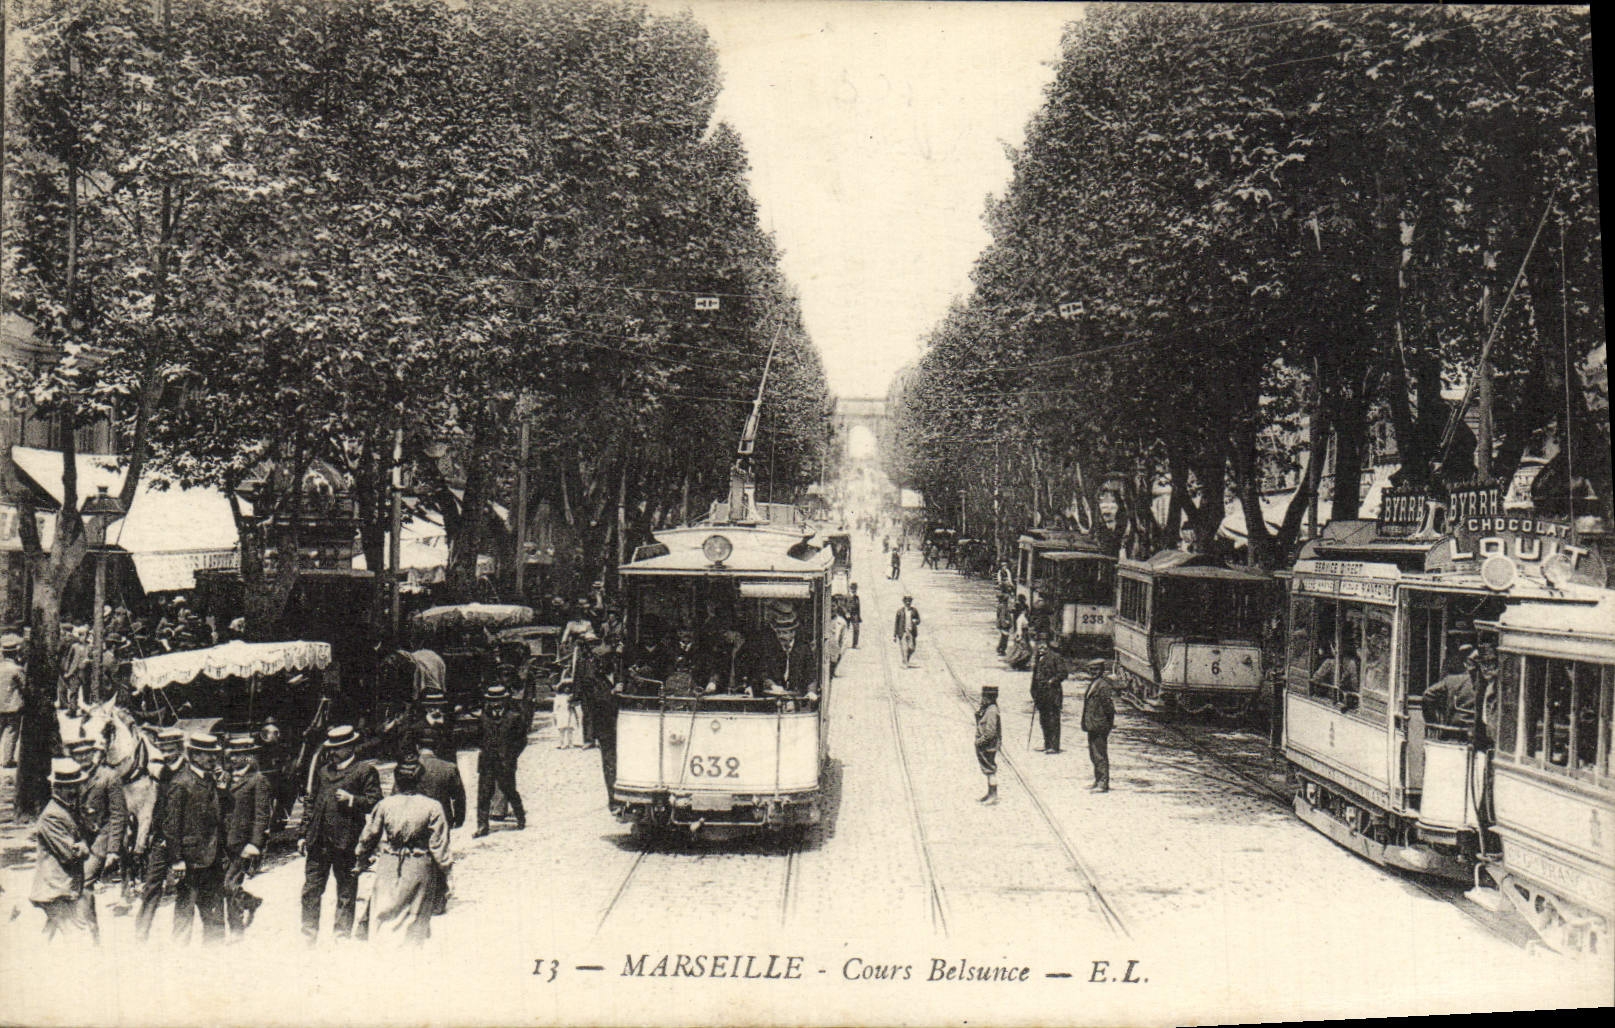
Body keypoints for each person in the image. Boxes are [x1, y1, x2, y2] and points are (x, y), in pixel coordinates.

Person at [355, 755, 453, 946]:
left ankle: (381, 949)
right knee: (415, 914)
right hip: (419, 864)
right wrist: (447, 871)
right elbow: (439, 845)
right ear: (419, 779)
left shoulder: (385, 805)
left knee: (384, 908)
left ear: (396, 780)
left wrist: (361, 858)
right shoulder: (433, 806)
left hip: (389, 862)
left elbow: (369, 836)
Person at [300, 724, 382, 944]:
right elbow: (311, 803)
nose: (332, 752)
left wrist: (353, 800)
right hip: (318, 841)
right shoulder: (323, 771)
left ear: (351, 747)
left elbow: (376, 803)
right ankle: (308, 935)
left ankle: (341, 935)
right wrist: (303, 833)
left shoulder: (364, 771)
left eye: (338, 748)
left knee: (346, 891)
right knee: (310, 891)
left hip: (346, 841)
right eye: (331, 748)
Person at [164, 732, 229, 945]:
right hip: (190, 860)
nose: (212, 759)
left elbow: (220, 816)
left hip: (212, 858)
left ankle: (213, 960)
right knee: (185, 913)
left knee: (215, 915)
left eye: (214, 754)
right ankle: (178, 961)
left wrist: (221, 789)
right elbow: (171, 826)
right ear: (194, 755)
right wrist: (176, 859)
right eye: (206, 754)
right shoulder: (181, 783)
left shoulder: (211, 780)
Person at [32, 757, 97, 942]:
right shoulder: (52, 815)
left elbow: (82, 838)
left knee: (47, 935)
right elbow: (69, 854)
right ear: (57, 788)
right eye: (70, 787)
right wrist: (83, 847)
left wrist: (82, 841)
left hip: (64, 887)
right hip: (56, 889)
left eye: (77, 785)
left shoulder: (68, 810)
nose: (75, 790)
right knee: (79, 935)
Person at [134, 727, 186, 939]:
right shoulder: (161, 773)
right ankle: (141, 933)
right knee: (151, 885)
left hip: (183, 842)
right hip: (161, 839)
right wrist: (148, 836)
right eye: (162, 748)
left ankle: (180, 938)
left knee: (187, 891)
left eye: (170, 749)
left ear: (180, 748)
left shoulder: (189, 772)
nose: (165, 753)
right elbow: (155, 806)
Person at [222, 734, 272, 940]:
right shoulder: (224, 777)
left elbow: (262, 816)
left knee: (228, 884)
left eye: (240, 754)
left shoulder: (258, 781)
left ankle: (236, 929)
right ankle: (249, 903)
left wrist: (255, 844)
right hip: (221, 840)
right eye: (232, 754)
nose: (234, 758)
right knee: (224, 885)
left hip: (242, 843)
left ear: (250, 756)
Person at [68, 737, 127, 893]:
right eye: (78, 755)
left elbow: (118, 814)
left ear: (93, 753)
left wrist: (113, 849)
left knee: (84, 879)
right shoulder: (69, 777)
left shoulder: (108, 776)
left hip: (102, 835)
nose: (82, 758)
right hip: (79, 837)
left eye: (86, 753)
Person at [415, 730, 465, 916]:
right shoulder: (448, 767)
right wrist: (459, 818)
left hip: (415, 818)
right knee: (439, 857)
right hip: (441, 820)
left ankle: (418, 899)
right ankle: (437, 902)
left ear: (417, 747)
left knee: (417, 856)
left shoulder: (408, 767)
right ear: (437, 748)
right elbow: (459, 797)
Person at [474, 685, 527, 837]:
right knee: (484, 794)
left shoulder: (514, 717)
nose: (495, 704)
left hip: (506, 763)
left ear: (505, 701)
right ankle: (482, 825)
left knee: (510, 791)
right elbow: (477, 737)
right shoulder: (483, 718)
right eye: (492, 701)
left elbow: (522, 740)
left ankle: (520, 818)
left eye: (499, 700)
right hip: (487, 763)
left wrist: (512, 755)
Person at [1030, 633, 1068, 754]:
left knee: (1053, 719)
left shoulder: (1055, 657)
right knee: (1044, 720)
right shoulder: (1037, 657)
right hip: (1041, 694)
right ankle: (1047, 744)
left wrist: (1052, 680)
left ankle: (1054, 746)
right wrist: (1033, 691)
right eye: (1039, 643)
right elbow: (1035, 677)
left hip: (1052, 693)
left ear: (1048, 644)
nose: (1041, 646)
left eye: (1043, 643)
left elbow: (1063, 673)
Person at [1082, 667, 1116, 793]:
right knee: (1094, 753)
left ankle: (1103, 783)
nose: (1092, 672)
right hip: (1092, 724)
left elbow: (1108, 706)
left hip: (1099, 724)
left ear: (1100, 671)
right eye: (1091, 670)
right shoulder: (1095, 683)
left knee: (1099, 754)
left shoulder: (1103, 685)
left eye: (1095, 670)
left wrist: (1108, 722)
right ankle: (1098, 780)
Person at [1, 634, 26, 768]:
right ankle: (7, 759)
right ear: (15, 653)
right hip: (12, 707)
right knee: (11, 733)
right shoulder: (17, 669)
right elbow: (24, 687)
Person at [975, 685, 1001, 805]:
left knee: (990, 770)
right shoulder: (988, 709)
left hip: (988, 745)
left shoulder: (992, 711)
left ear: (989, 698)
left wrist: (979, 742)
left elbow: (990, 732)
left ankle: (993, 795)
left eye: (984, 697)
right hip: (985, 745)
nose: (982, 699)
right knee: (987, 769)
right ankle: (990, 793)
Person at [893, 594, 921, 668]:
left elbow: (919, 620)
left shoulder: (914, 610)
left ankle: (906, 659)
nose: (908, 603)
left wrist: (916, 621)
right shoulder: (900, 611)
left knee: (912, 648)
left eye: (909, 601)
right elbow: (896, 623)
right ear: (904, 602)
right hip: (902, 632)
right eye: (906, 601)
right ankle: (905, 663)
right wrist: (895, 635)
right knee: (904, 648)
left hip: (911, 632)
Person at [1006, 597, 1032, 670]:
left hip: (1025, 635)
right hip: (1022, 635)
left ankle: (1022, 664)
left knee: (1025, 650)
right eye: (1026, 610)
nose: (1027, 611)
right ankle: (1017, 664)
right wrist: (1019, 636)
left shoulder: (1024, 617)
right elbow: (1019, 628)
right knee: (1022, 650)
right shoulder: (1021, 618)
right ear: (1023, 610)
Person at [995, 589, 1013, 657]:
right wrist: (1005, 623)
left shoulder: (1001, 605)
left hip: (1001, 624)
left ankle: (999, 648)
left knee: (1003, 637)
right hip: (1004, 625)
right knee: (1005, 637)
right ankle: (1002, 649)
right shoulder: (1003, 606)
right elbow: (1002, 616)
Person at [846, 583, 863, 648]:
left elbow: (858, 607)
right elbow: (843, 606)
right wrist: (846, 612)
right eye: (853, 589)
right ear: (850, 589)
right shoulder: (847, 596)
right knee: (846, 629)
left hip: (855, 615)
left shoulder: (856, 597)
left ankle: (855, 644)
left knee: (856, 629)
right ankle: (845, 644)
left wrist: (858, 617)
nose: (854, 591)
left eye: (855, 589)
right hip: (847, 615)